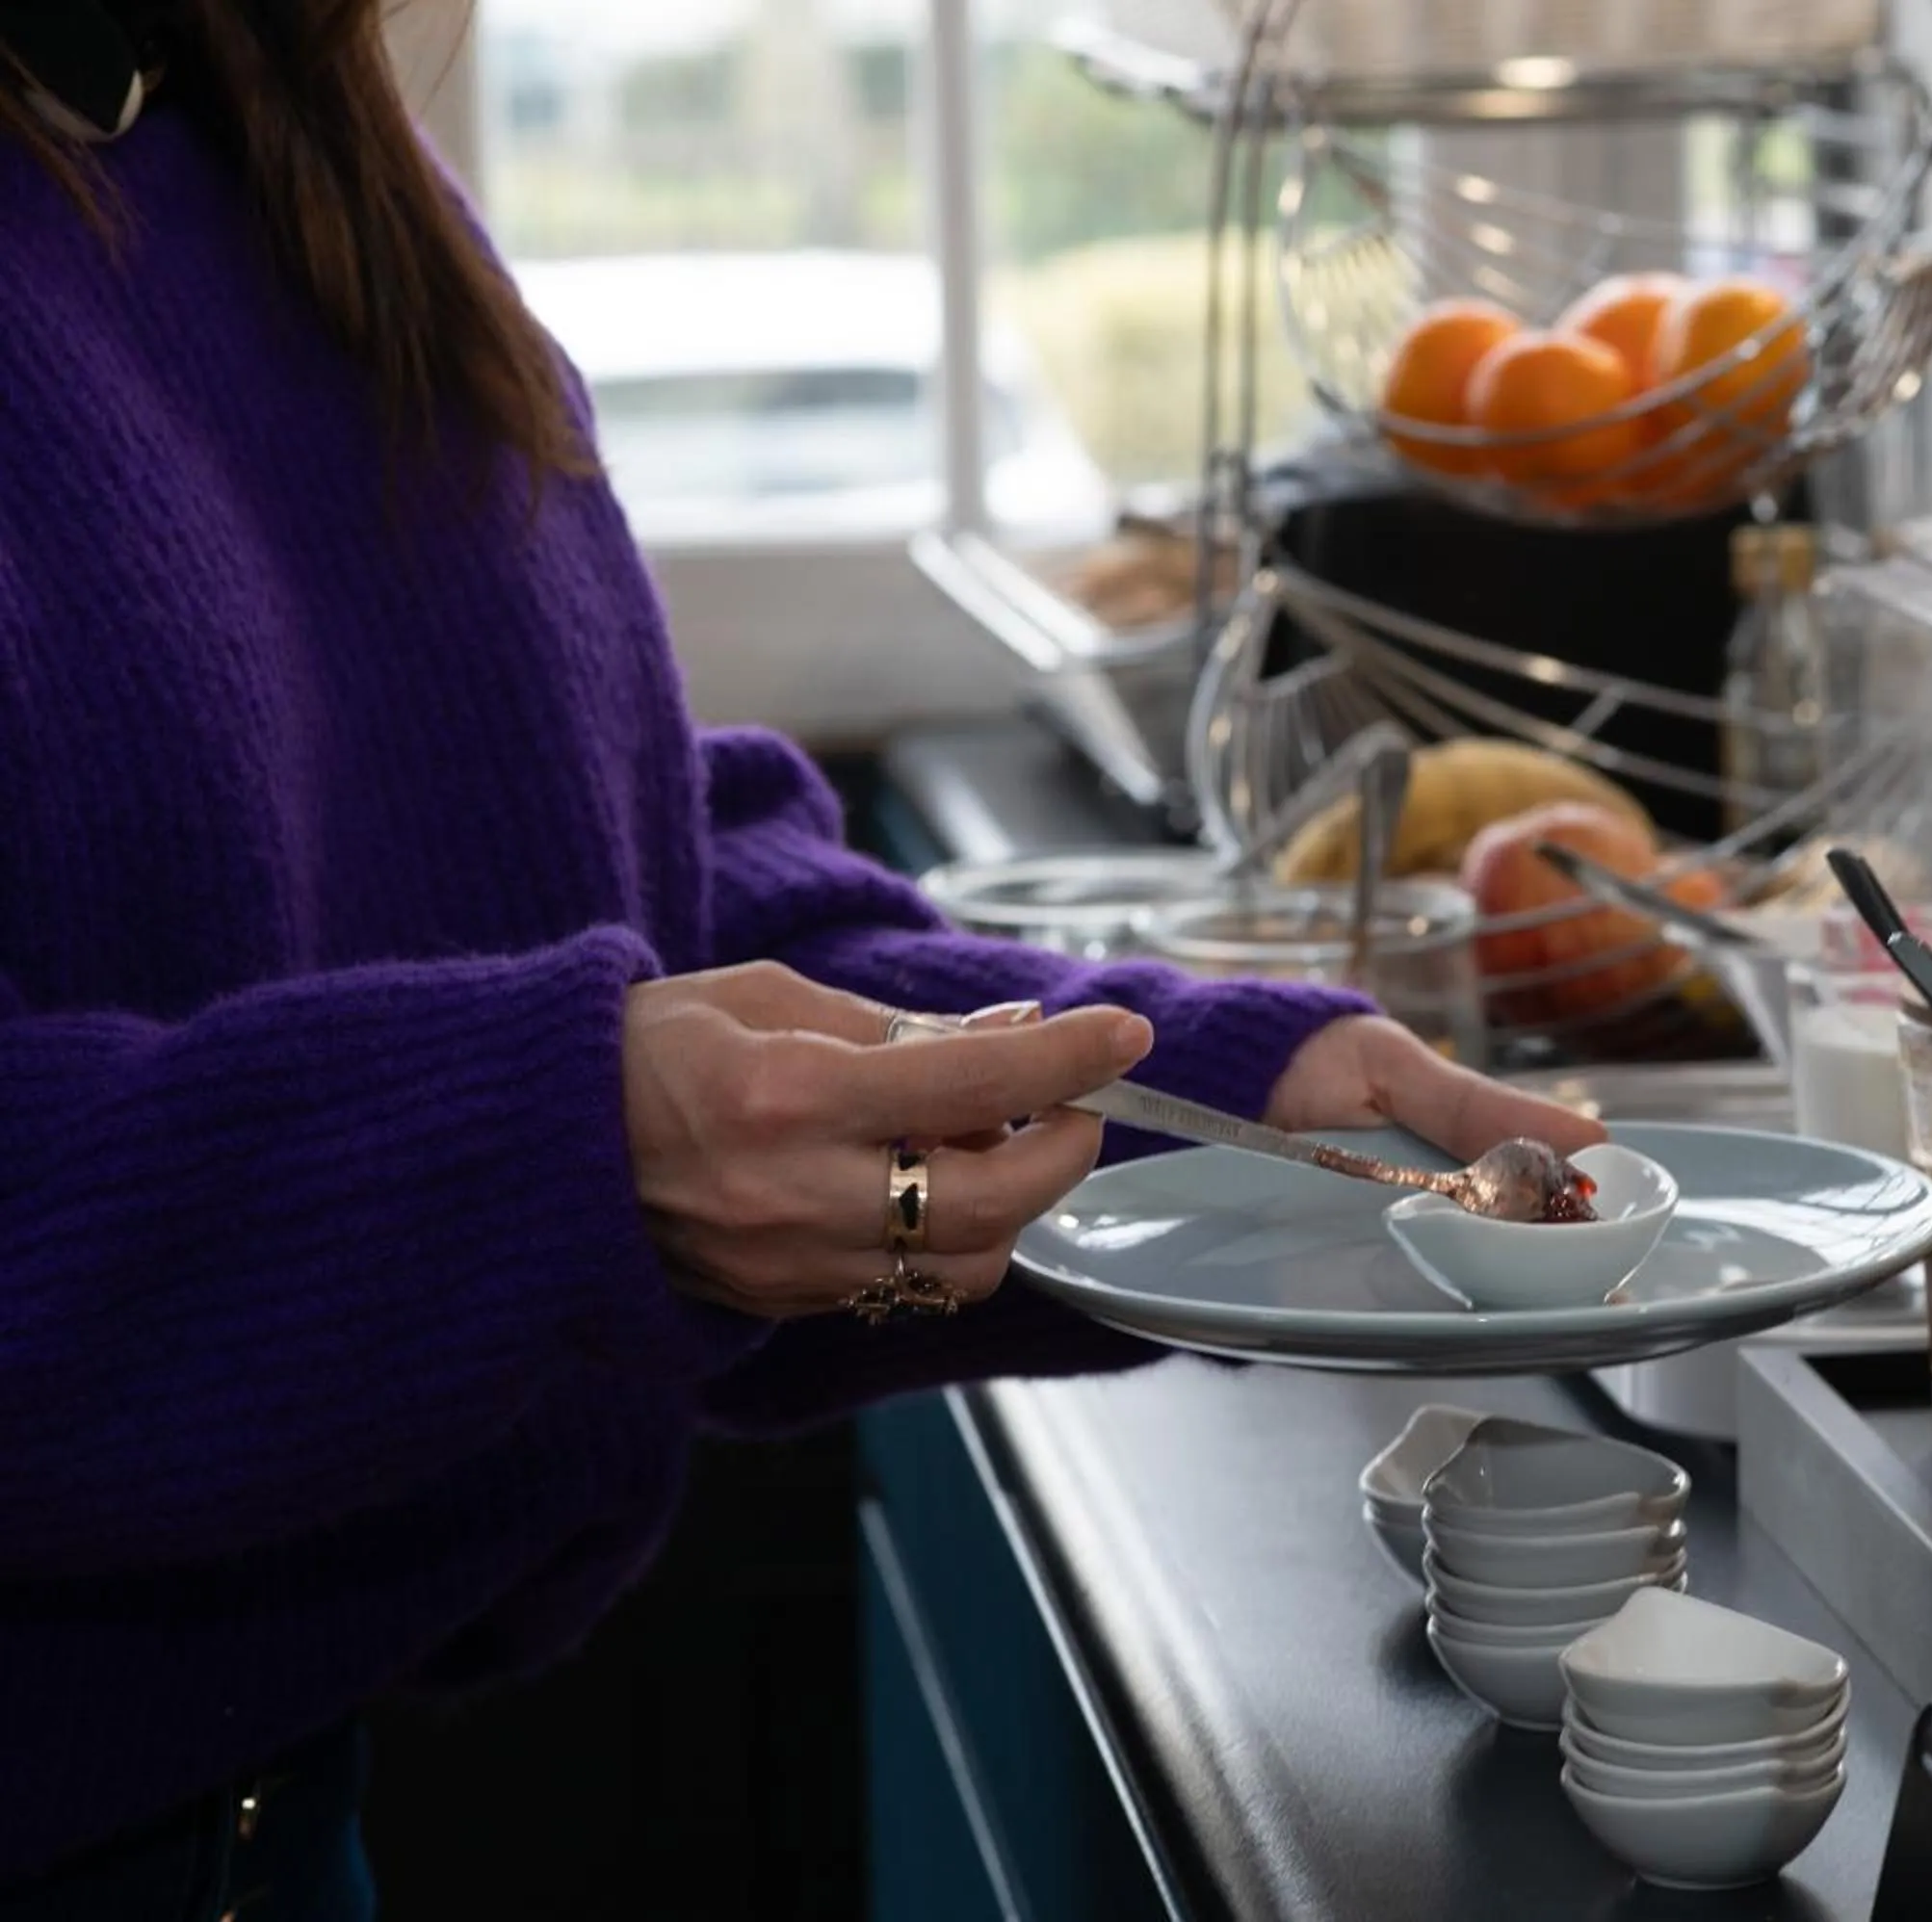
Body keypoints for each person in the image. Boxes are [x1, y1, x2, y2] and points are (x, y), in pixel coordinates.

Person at [0, 5, 1604, 1914]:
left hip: (276, 1830)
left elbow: (612, 877)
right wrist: (556, 1150)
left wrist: (1224, 1119)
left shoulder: (243, 109)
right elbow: (593, 1067)